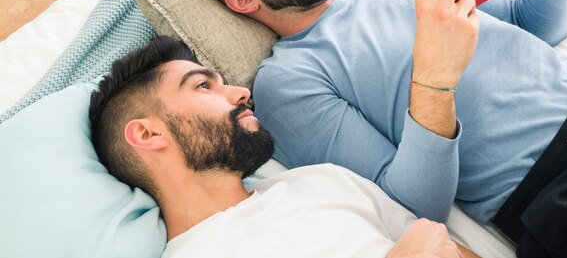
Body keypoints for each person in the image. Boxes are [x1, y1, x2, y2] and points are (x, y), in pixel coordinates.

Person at [186, 0, 567, 258]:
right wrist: (435, 79)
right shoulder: (289, 80)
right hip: (561, 189)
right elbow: (410, 204)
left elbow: (534, 30)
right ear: (242, 0)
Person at [88, 35, 478, 258]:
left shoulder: (323, 180)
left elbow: (443, 247)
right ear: (148, 134)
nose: (241, 92)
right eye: (203, 86)